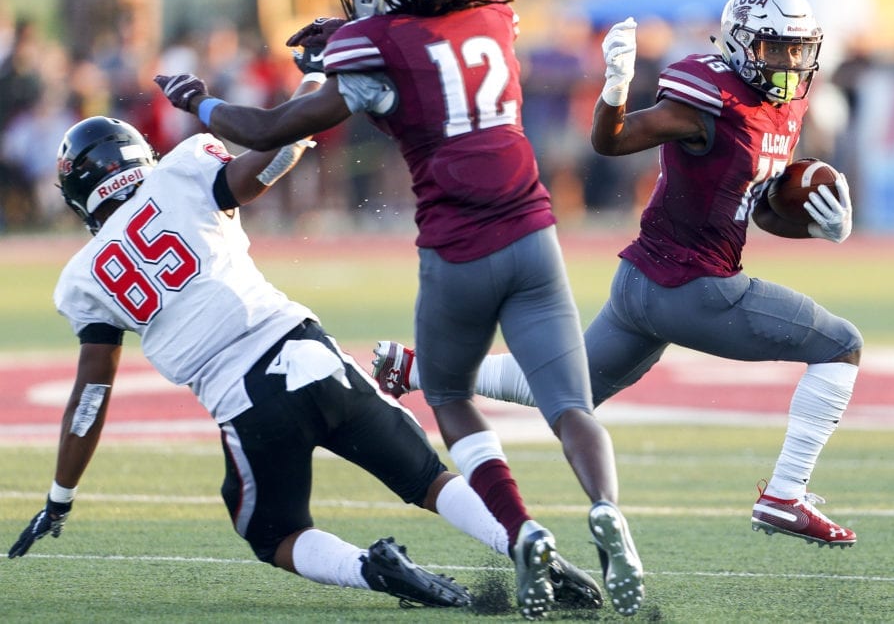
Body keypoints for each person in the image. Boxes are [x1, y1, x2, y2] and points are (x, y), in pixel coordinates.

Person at [151, 0, 643, 619]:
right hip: (535, 236)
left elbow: (268, 127)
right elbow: (422, 50)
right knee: (571, 403)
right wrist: (348, 42)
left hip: (459, 252)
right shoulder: (492, 16)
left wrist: (199, 103)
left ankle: (523, 527)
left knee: (446, 392)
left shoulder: (374, 43)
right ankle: (607, 506)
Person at [7, 84, 601, 610]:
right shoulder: (183, 169)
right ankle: (523, 541)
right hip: (308, 350)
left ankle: (371, 569)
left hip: (245, 399)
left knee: (271, 533)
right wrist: (315, 85)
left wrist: (61, 495)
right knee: (426, 477)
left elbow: (92, 395)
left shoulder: (83, 277)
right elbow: (282, 154)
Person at [373, 0, 862, 549]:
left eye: (799, 49)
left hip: (643, 285)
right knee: (839, 345)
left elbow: (760, 207)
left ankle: (411, 368)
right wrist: (616, 87)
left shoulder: (785, 105)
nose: (790, 63)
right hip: (692, 288)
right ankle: (784, 496)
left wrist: (823, 226)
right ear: (741, 44)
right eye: (777, 49)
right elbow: (613, 141)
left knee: (565, 391)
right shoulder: (710, 99)